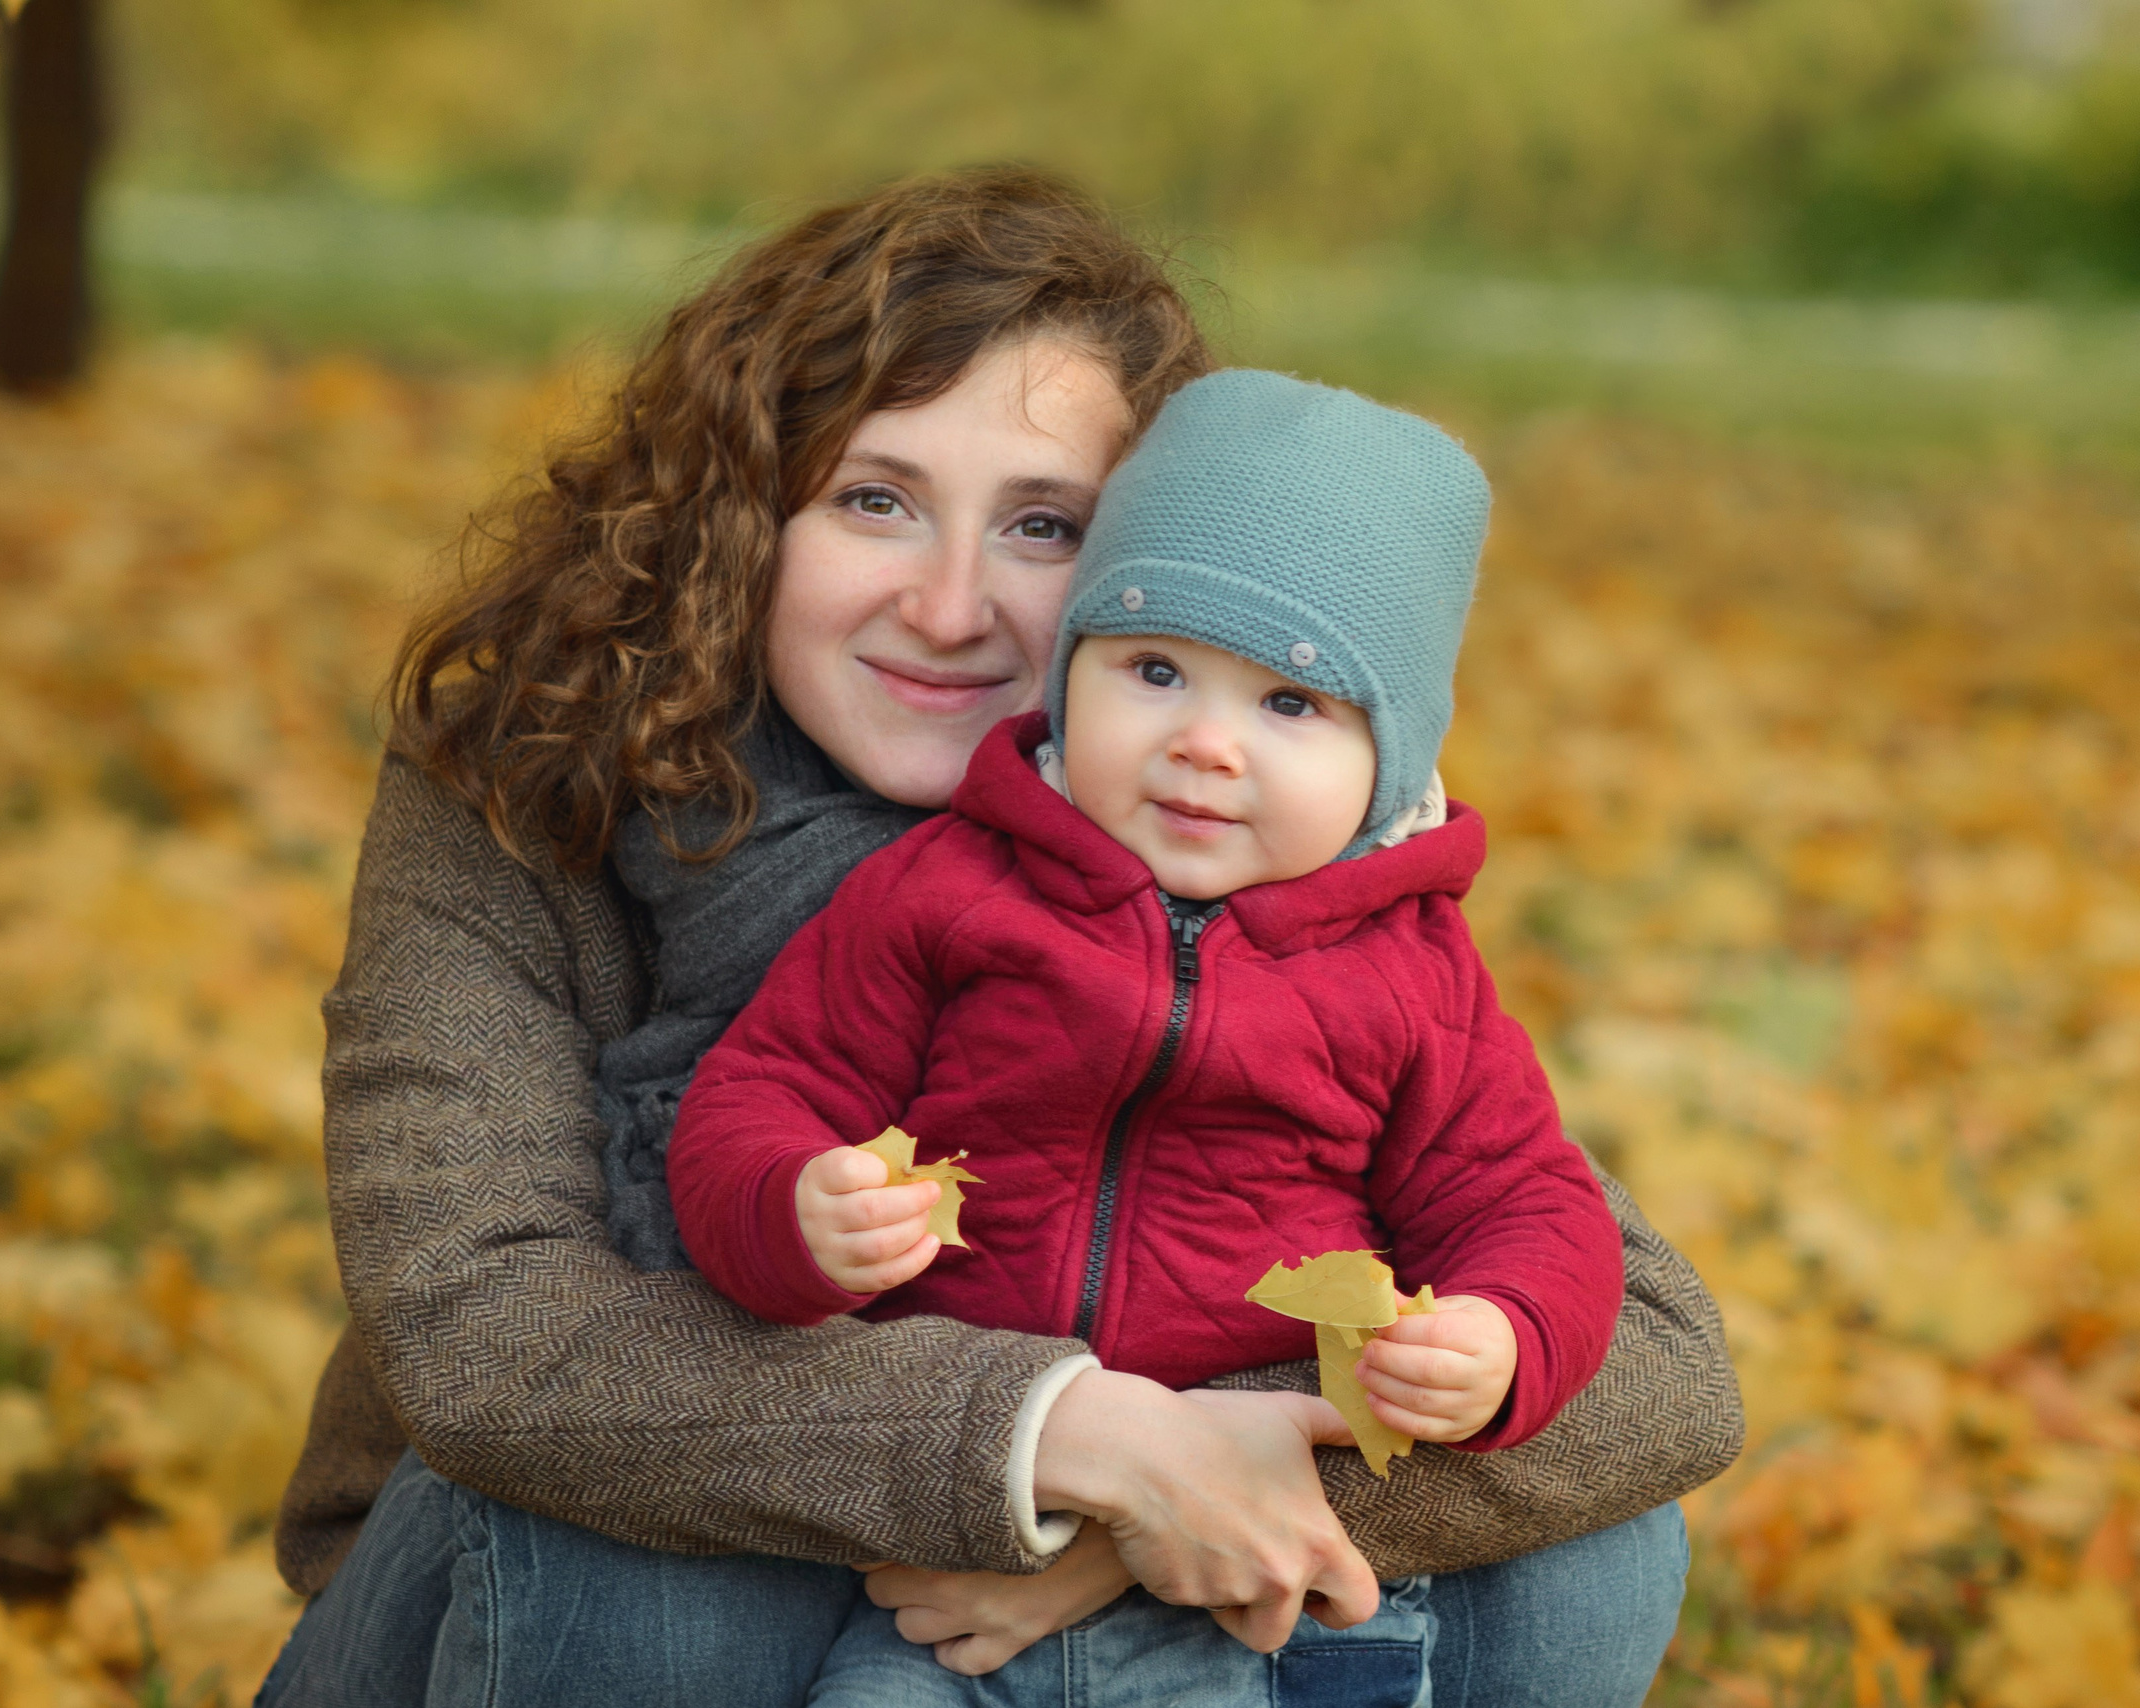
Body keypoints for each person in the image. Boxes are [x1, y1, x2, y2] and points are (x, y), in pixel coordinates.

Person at [259, 168, 1743, 1708]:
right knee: (653, 1564)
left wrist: (1159, 1508)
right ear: (741, 519)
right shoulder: (528, 767)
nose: (954, 608)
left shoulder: (1214, 855)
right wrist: (1076, 1443)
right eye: (874, 501)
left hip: (1045, 1576)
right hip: (531, 1593)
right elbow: (493, 1338)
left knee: (1587, 1550)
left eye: (1044, 527)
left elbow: (1653, 1358)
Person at [667, 370, 1627, 1707]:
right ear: (1071, 677)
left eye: (1290, 706)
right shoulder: (946, 891)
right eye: (1154, 671)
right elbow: (766, 1090)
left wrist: (1503, 1336)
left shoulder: (1414, 977)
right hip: (953, 1565)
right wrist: (793, 1208)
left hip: (1268, 1598)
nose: (1204, 746)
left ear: (1389, 761)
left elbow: (1521, 1196)